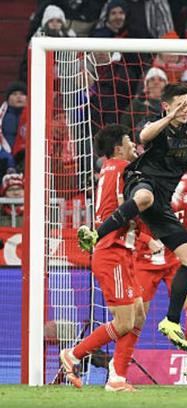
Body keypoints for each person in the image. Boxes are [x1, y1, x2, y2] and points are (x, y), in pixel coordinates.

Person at [77, 84, 187, 352]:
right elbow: (144, 136)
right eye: (180, 105)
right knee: (144, 198)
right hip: (141, 181)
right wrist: (169, 117)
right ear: (166, 106)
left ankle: (171, 320)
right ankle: (97, 233)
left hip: (162, 202)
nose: (186, 109)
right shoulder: (154, 124)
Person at [60, 124, 144, 392]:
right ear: (118, 148)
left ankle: (117, 377)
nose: (134, 145)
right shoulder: (123, 169)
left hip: (120, 251)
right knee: (125, 322)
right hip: (113, 251)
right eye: (129, 141)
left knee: (138, 315)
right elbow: (128, 207)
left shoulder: (109, 168)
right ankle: (74, 354)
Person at [133, 159, 187, 389]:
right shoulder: (148, 186)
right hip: (147, 261)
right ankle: (119, 368)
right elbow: (130, 220)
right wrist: (147, 239)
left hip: (177, 261)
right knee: (134, 319)